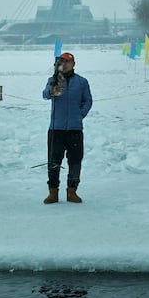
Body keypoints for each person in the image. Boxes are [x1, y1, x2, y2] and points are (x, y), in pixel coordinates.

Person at [40, 51, 92, 204]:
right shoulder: (53, 80)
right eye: (62, 61)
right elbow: (45, 95)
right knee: (54, 161)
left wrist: (79, 115)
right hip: (56, 128)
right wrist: (52, 89)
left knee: (75, 161)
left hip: (75, 129)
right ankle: (53, 192)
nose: (64, 64)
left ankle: (72, 191)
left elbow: (87, 101)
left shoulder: (82, 82)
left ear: (73, 64)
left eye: (67, 61)